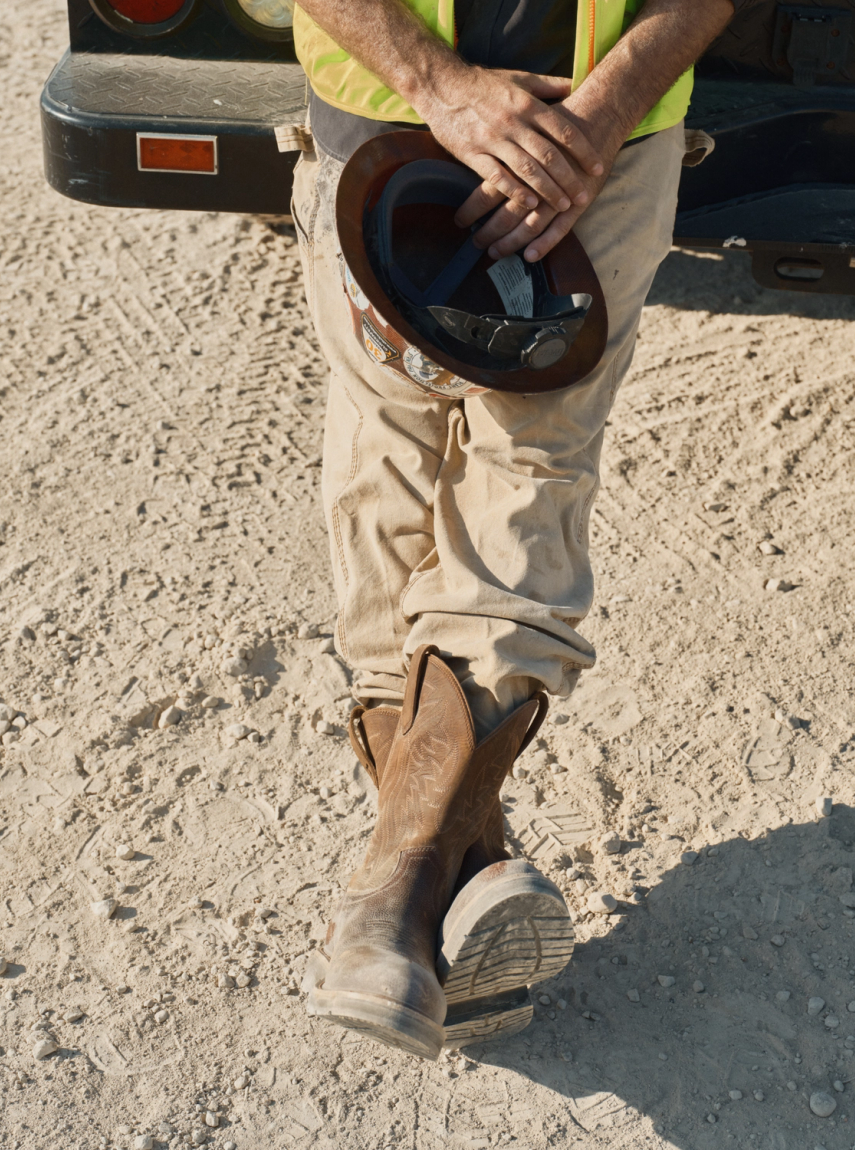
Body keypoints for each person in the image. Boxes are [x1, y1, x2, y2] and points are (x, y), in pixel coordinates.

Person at [290, 0, 756, 1060]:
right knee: (385, 477)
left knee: (529, 476)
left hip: (602, 151)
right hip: (382, 106)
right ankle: (458, 881)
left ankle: (388, 914)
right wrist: (438, 85)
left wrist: (604, 114)